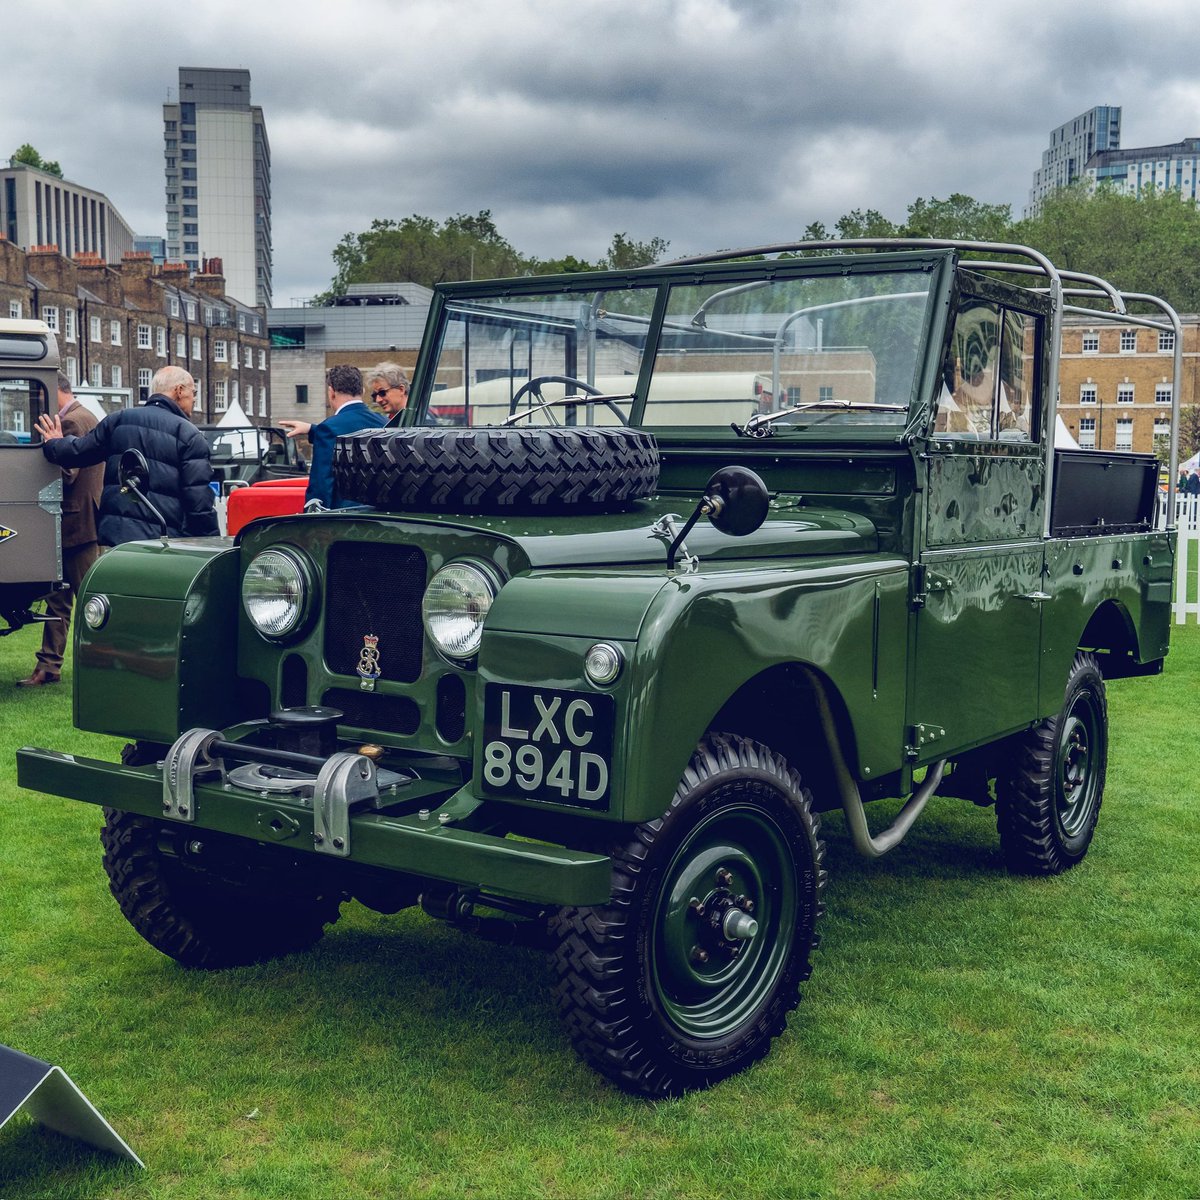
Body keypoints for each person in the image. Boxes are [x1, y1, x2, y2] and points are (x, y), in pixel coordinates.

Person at [36, 365, 218, 545]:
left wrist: (55, 443)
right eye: (193, 392)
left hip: (117, 539)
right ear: (179, 391)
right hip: (164, 543)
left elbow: (79, 451)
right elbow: (199, 502)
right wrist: (212, 543)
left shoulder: (118, 420)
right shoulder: (189, 435)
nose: (194, 399)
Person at [15, 374, 104, 687]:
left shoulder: (73, 422)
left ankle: (110, 666)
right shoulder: (86, 415)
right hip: (78, 522)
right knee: (61, 599)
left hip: (75, 524)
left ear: (55, 392)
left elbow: (68, 473)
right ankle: (49, 666)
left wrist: (52, 444)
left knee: (89, 599)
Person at [280, 365, 384, 508]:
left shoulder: (329, 427)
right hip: (383, 518)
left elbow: (322, 484)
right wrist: (312, 430)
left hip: (345, 520)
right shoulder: (385, 423)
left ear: (331, 392)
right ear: (363, 391)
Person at [364, 362, 410, 426]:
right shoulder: (387, 420)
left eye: (382, 392)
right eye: (374, 395)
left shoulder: (421, 418)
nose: (378, 400)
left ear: (401, 389)